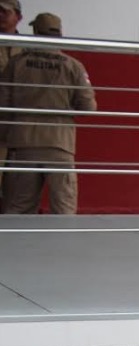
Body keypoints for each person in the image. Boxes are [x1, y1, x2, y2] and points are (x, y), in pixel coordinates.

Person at [0, 12, 96, 214]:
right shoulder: (73, 67)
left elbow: (3, 105)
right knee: (63, 210)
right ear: (59, 34)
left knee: (18, 209)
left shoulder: (16, 63)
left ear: (35, 33)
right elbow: (88, 107)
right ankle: (63, 246)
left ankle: (16, 247)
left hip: (22, 144)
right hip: (59, 145)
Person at [0, 0, 23, 196]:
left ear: (18, 17)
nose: (0, 15)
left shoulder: (28, 49)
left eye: (4, 12)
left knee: (16, 191)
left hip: (18, 130)